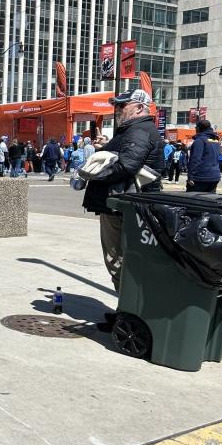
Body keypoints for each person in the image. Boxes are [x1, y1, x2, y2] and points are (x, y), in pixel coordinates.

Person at [82, 88, 163, 293]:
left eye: (121, 105)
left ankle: (128, 313)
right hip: (122, 204)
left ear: (138, 108)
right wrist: (106, 147)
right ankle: (126, 311)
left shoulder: (139, 131)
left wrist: (92, 174)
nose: (116, 109)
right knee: (121, 259)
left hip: (121, 205)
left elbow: (127, 166)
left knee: (118, 259)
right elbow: (124, 157)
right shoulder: (133, 130)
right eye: (116, 105)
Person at [186, 120, 222, 193]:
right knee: (209, 201)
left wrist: (190, 176)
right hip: (214, 176)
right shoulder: (215, 141)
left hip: (200, 177)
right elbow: (220, 158)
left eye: (196, 127)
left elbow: (195, 160)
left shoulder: (199, 141)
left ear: (199, 128)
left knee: (193, 201)